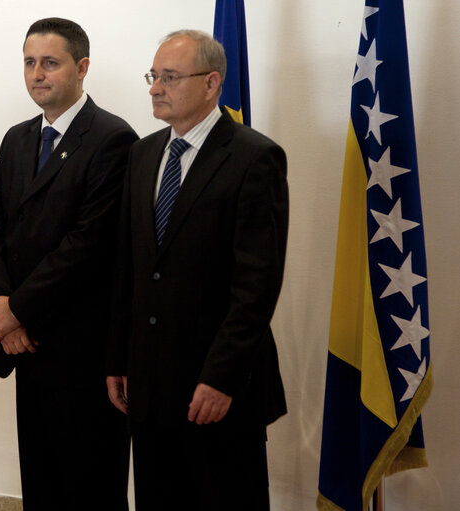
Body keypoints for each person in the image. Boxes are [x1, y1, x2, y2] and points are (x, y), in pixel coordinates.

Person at [106, 30, 289, 510]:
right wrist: (117, 359)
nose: (154, 88)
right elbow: (129, 267)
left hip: (218, 388)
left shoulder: (255, 157)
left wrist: (222, 377)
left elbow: (257, 285)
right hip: (147, 385)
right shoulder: (143, 154)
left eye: (169, 77)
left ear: (211, 83)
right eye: (153, 76)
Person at [0, 17, 138, 511]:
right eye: (29, 62)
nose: (37, 73)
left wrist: (17, 310)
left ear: (82, 67)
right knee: (41, 484)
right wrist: (1, 309)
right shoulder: (16, 139)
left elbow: (87, 244)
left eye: (50, 62)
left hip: (84, 348)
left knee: (88, 486)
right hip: (26, 344)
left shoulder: (113, 137)